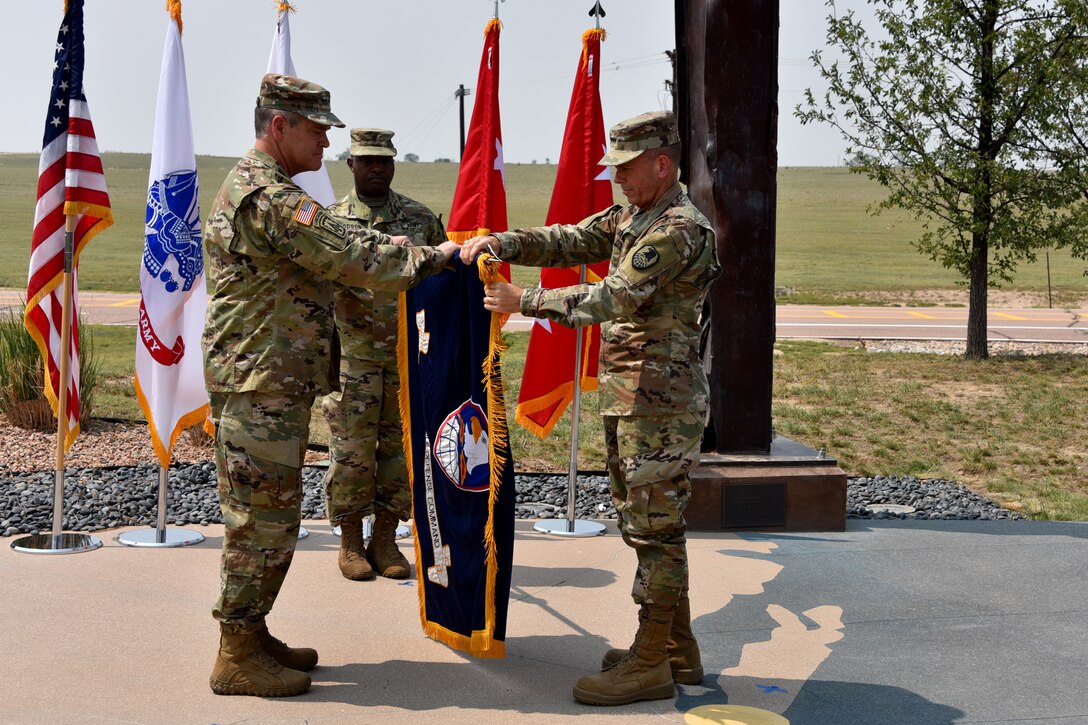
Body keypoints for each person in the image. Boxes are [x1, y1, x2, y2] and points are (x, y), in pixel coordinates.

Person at [202, 74, 460, 698]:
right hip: (258, 383)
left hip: (270, 380)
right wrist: (437, 256)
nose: (325, 142)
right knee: (257, 520)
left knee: (272, 514)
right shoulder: (268, 197)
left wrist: (409, 245)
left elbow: (347, 241)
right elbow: (351, 256)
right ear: (278, 126)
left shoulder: (275, 190)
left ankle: (252, 631)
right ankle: (236, 651)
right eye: (317, 130)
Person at [460, 110, 720, 707]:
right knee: (646, 527)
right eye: (614, 169)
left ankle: (651, 662)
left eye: (626, 169)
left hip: (662, 403)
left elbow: (614, 294)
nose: (618, 180)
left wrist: (523, 298)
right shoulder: (637, 213)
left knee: (656, 534)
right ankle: (675, 650)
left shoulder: (677, 229)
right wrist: (503, 241)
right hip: (634, 397)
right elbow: (572, 238)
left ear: (662, 163)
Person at [323, 128, 447, 581]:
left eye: (384, 161)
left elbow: (441, 280)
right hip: (351, 359)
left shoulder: (418, 219)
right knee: (351, 451)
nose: (377, 168)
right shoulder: (331, 221)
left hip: (404, 357)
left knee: (399, 450)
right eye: (367, 160)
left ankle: (386, 539)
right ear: (351, 163)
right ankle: (351, 541)